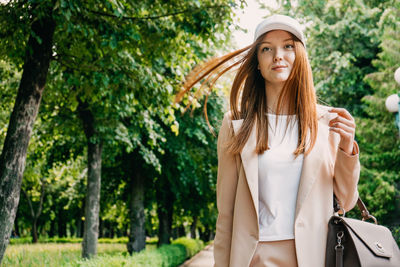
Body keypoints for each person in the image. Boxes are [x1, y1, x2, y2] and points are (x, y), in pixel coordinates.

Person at [177, 14, 360, 267]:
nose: (278, 55)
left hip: (313, 256)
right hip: (254, 258)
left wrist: (347, 147)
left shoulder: (327, 123)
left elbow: (347, 201)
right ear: (257, 64)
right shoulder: (236, 123)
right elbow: (226, 214)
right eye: (266, 49)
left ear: (300, 57)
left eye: (288, 46)